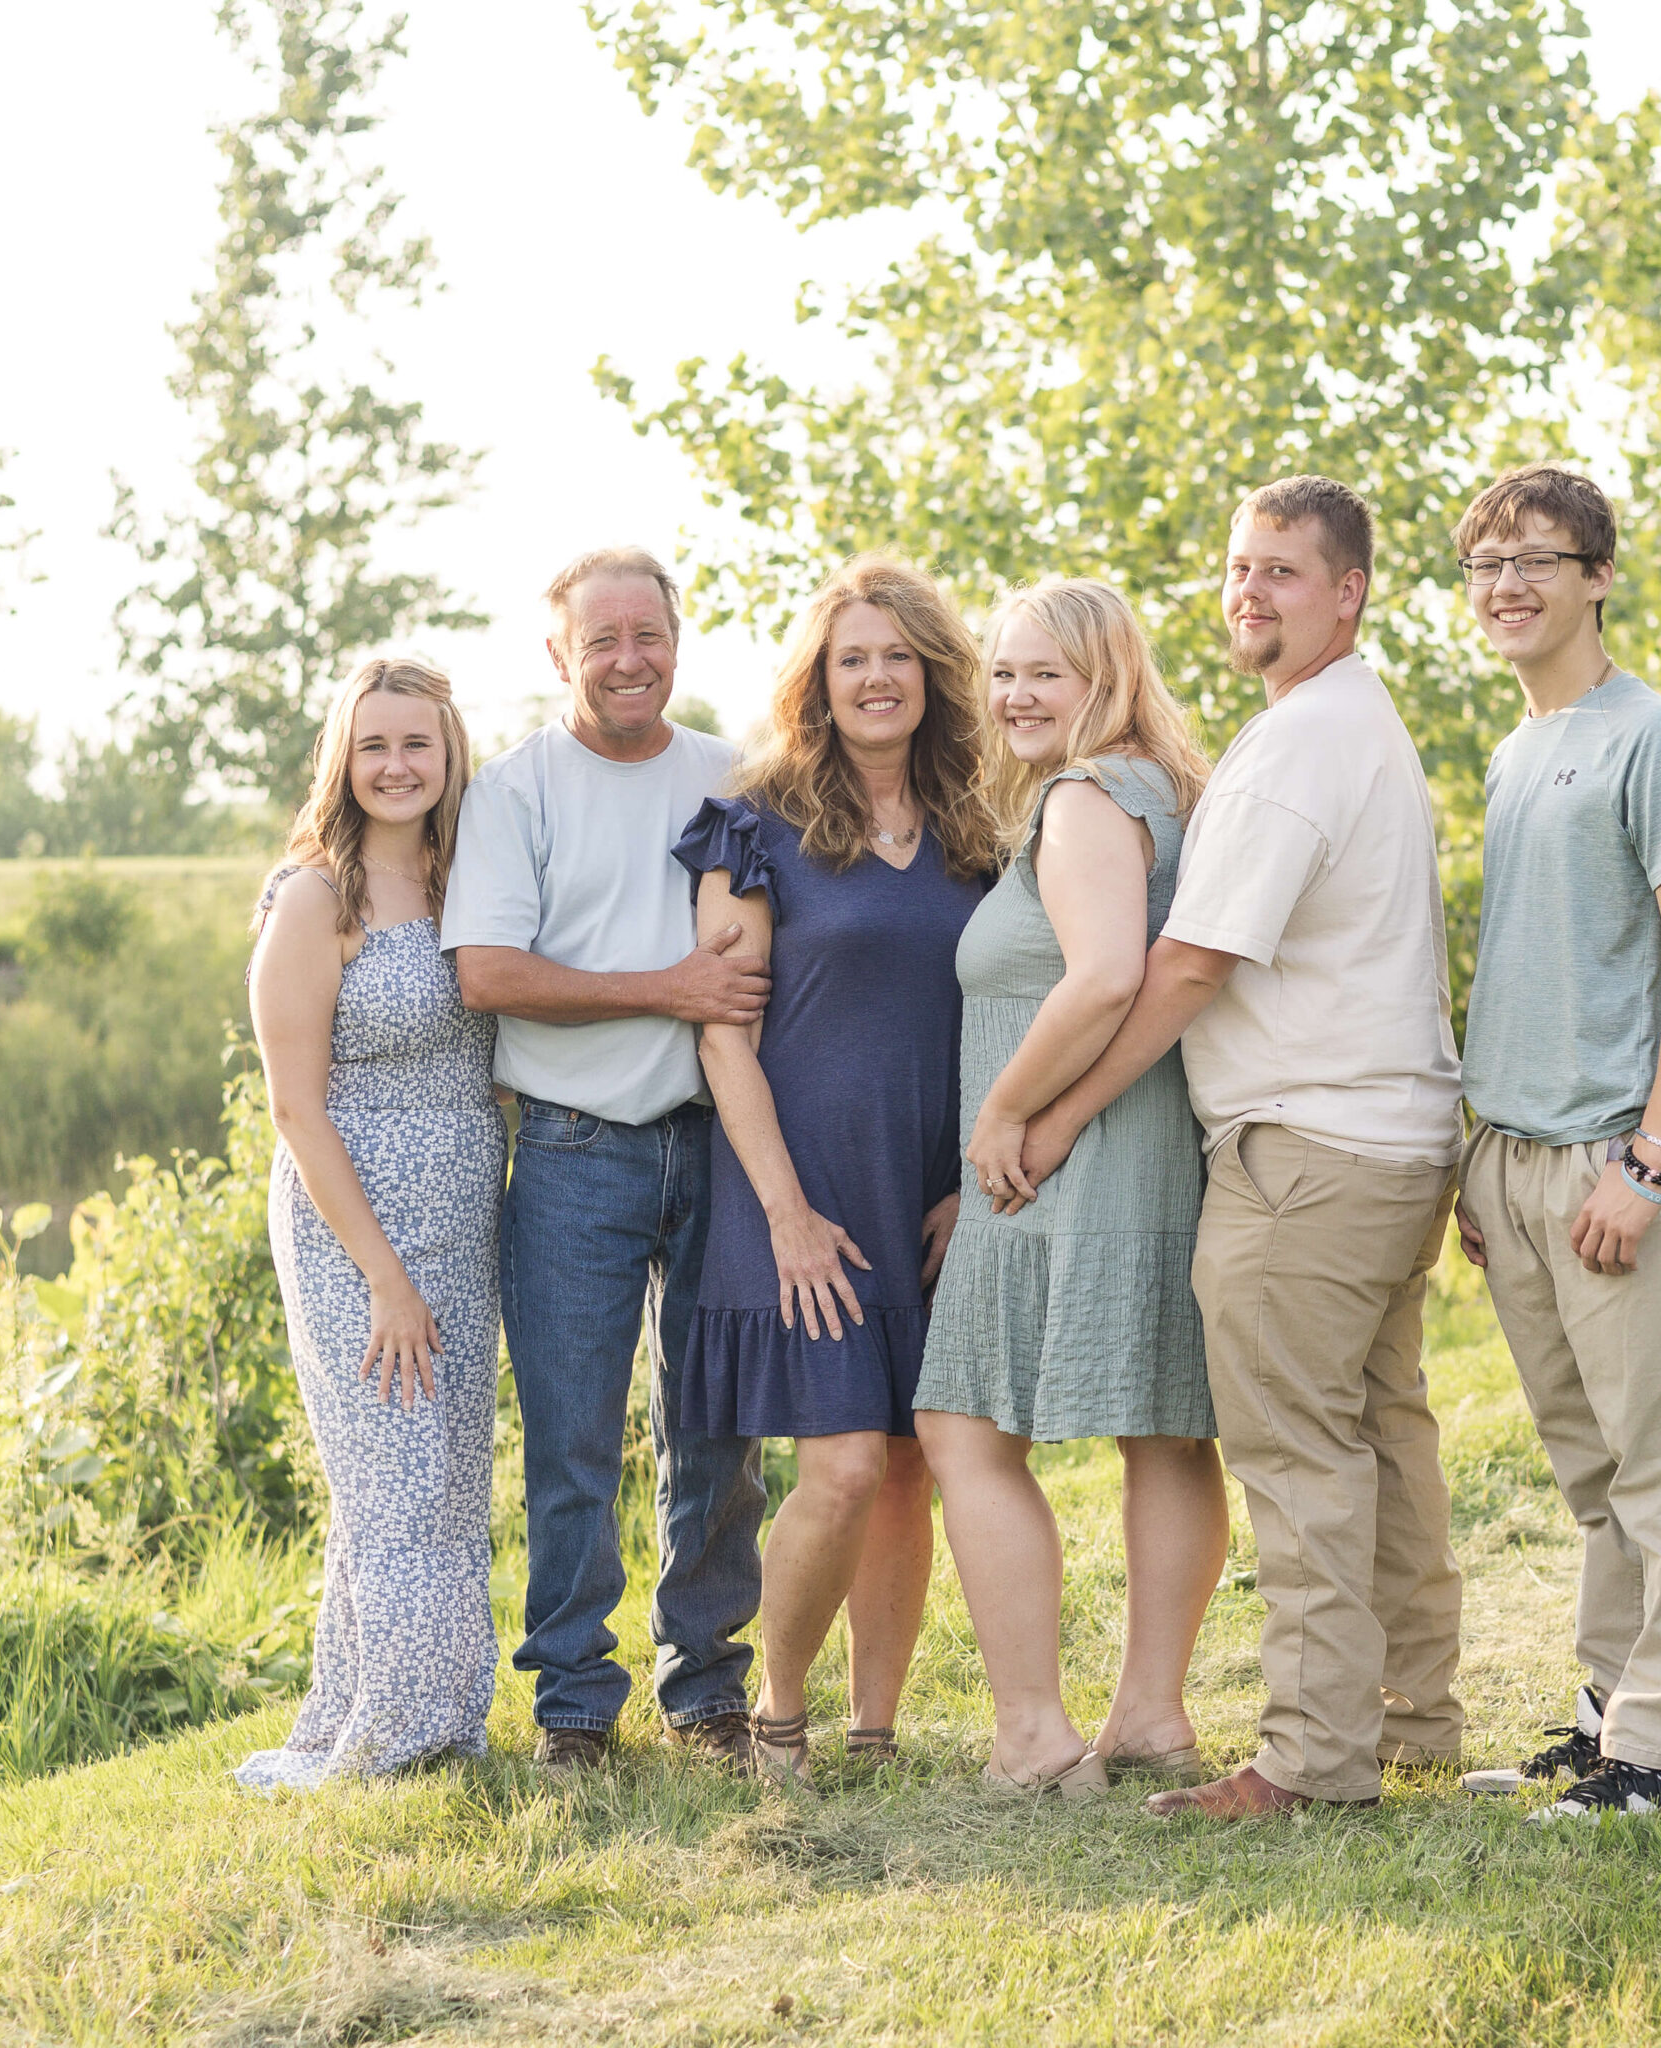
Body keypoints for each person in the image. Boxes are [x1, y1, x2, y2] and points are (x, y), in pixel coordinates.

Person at [1014, 476, 1467, 1819]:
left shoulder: (1297, 747)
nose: (1251, 591)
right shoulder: (1350, 724)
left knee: (1302, 1456)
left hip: (1307, 1154)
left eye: (1284, 570)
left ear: (1351, 592)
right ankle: (1413, 1720)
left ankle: (1313, 1761)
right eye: (1238, 568)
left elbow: (1189, 965)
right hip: (1385, 1138)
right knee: (1381, 1438)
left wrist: (1054, 1112)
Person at [1445, 463, 1661, 1820]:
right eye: (1486, 565)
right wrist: (1480, 1158)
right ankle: (1607, 1713)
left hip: (1615, 1161)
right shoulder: (1516, 751)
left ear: (1598, 575)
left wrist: (1652, 1158)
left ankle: (1660, 1755)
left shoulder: (1649, 737)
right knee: (1591, 1474)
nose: (1508, 585)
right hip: (1515, 1164)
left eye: (1537, 559)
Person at [441, 547, 773, 1774]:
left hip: (716, 1142)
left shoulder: (733, 774)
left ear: (677, 637)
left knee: (717, 1430)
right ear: (558, 656)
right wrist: (668, 988)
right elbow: (489, 970)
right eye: (601, 641)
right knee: (572, 1440)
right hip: (577, 1151)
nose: (629, 660)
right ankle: (576, 1701)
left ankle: (708, 1687)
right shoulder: (516, 790)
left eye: (649, 635)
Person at [671, 554, 994, 1782]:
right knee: (844, 1459)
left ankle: (875, 1727)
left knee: (908, 1458)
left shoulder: (977, 828)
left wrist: (972, 1176)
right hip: (792, 1188)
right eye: (852, 657)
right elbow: (722, 1033)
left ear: (931, 675)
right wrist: (788, 1211)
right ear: (816, 679)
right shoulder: (755, 825)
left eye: (898, 656)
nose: (877, 677)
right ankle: (778, 1711)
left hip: (927, 1189)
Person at [914, 578, 1226, 1799]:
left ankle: (1037, 1736)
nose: (1014, 694)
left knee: (963, 1425)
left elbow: (1101, 978)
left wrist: (1001, 1112)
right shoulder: (1162, 789)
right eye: (1002, 671)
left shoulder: (1088, 798)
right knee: (1161, 1427)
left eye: (1045, 670)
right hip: (1136, 1148)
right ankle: (1148, 1717)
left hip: (1052, 1161)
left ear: (1106, 675)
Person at [236, 657, 503, 1790]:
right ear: (343, 757)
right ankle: (390, 1742)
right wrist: (386, 1276)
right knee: (391, 1480)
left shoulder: (468, 880)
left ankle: (413, 1715)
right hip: (356, 1230)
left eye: (417, 745)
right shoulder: (314, 898)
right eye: (375, 745)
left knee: (443, 1478)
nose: (397, 765)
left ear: (448, 756)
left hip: (465, 1222)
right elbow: (295, 1104)